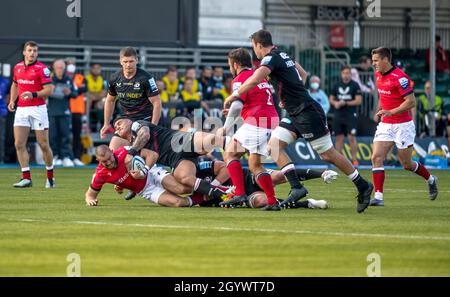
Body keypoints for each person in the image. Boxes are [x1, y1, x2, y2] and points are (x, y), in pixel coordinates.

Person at [224, 29, 373, 213]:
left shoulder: (270, 58)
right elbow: (302, 73)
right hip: (295, 112)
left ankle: (362, 184)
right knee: (273, 146)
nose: (255, 52)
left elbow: (255, 80)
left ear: (258, 45)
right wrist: (286, 96)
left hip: (308, 112)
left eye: (254, 47)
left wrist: (235, 94)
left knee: (328, 155)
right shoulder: (283, 55)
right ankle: (297, 187)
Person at [370, 47, 438, 206]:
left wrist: (391, 111)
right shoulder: (378, 75)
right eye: (373, 61)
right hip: (386, 124)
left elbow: (411, 102)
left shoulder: (401, 78)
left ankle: (431, 178)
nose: (374, 64)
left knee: (406, 164)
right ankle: (378, 197)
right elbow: (383, 95)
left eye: (376, 60)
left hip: (403, 125)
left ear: (386, 59)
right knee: (376, 157)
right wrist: (378, 110)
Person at [219, 47, 280, 211]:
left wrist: (225, 128)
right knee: (255, 165)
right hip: (271, 121)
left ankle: (239, 193)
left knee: (230, 154)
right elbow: (252, 103)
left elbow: (237, 104)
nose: (230, 68)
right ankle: (272, 201)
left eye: (230, 65)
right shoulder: (259, 77)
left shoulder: (240, 78)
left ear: (236, 64)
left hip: (258, 122)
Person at [113, 117, 230, 201]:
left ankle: (237, 142)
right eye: (115, 128)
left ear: (128, 120)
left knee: (209, 142)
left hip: (180, 141)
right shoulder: (133, 147)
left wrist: (132, 152)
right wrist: (125, 185)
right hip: (175, 160)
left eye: (119, 122)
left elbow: (145, 135)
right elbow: (143, 165)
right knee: (185, 183)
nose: (117, 127)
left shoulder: (136, 125)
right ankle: (222, 192)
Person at [85, 145, 214, 207]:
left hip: (152, 173)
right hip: (145, 190)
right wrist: (90, 200)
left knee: (182, 189)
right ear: (98, 160)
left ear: (112, 152)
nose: (108, 163)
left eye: (109, 158)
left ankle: (213, 186)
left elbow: (152, 155)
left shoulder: (124, 151)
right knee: (178, 203)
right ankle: (201, 198)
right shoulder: (100, 174)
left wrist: (144, 170)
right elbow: (90, 193)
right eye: (104, 162)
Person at [8, 41, 55, 188]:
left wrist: (33, 94)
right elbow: (15, 84)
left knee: (43, 144)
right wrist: (12, 101)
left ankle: (50, 178)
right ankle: (26, 178)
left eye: (35, 51)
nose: (32, 53)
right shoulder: (17, 67)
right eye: (29, 50)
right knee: (19, 143)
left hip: (38, 109)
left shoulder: (42, 69)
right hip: (22, 109)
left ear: (37, 53)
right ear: (24, 52)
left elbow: (49, 89)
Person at [196, 160, 337, 209]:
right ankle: (308, 204)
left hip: (246, 178)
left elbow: (226, 167)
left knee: (277, 176)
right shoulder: (188, 188)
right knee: (261, 201)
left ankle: (322, 174)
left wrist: (214, 185)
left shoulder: (200, 167)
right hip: (244, 197)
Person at [100, 46, 162, 150]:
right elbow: (110, 101)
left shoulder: (146, 78)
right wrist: (106, 124)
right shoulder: (115, 78)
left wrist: (153, 126)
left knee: (143, 156)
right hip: (126, 119)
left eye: (131, 61)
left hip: (144, 119)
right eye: (125, 61)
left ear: (137, 60)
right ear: (120, 62)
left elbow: (157, 103)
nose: (128, 65)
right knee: (113, 151)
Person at [329, 65, 362, 167]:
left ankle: (354, 160)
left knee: (351, 137)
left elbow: (358, 100)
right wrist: (335, 103)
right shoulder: (336, 85)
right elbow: (331, 98)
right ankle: (338, 161)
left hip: (350, 114)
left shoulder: (355, 85)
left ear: (350, 74)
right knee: (339, 137)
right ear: (341, 74)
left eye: (348, 73)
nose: (346, 75)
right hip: (338, 114)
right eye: (344, 73)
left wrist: (345, 103)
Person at [48, 59, 77, 167]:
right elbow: (43, 93)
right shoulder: (49, 80)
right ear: (54, 68)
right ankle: (55, 156)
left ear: (64, 68)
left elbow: (75, 93)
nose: (60, 70)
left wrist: (70, 92)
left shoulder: (69, 79)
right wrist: (50, 90)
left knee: (65, 135)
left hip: (65, 111)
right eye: (58, 67)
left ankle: (65, 156)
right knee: (53, 136)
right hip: (52, 111)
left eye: (62, 67)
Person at [66, 57, 87, 166]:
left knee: (76, 136)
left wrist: (72, 91)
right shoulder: (63, 77)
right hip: (66, 110)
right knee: (64, 135)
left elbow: (83, 89)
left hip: (77, 110)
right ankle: (65, 157)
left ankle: (76, 157)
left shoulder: (80, 77)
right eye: (69, 63)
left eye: (73, 63)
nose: (71, 65)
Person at [86, 63, 107, 132]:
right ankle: (85, 124)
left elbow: (104, 93)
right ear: (91, 69)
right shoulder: (86, 78)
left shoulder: (102, 79)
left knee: (103, 102)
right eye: (95, 68)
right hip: (88, 100)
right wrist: (97, 94)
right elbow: (86, 92)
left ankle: (102, 125)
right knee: (88, 101)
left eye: (98, 68)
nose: (97, 70)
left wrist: (94, 95)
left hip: (97, 99)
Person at [0, 66, 11, 164]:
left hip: (1, 111)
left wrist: (5, 104)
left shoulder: (5, 81)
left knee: (1, 136)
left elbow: (8, 95)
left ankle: (1, 158)